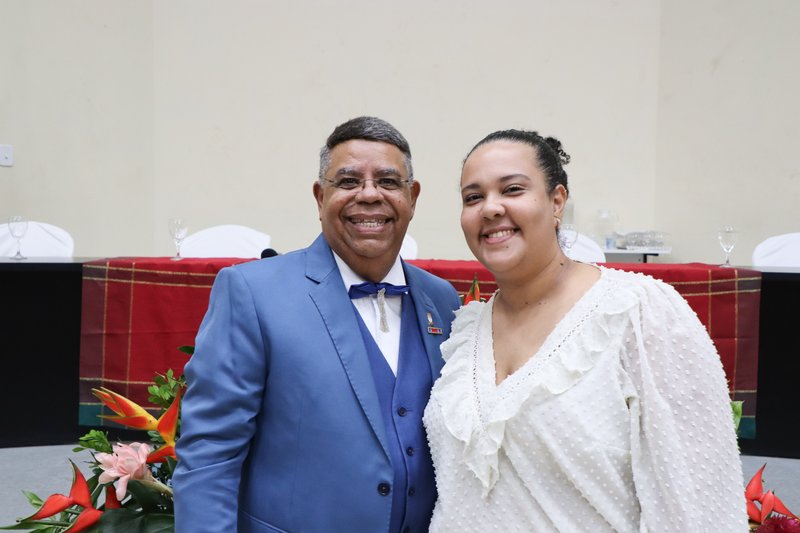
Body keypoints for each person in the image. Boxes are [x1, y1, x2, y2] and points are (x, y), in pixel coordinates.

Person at [422, 129, 747, 532]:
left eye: (512, 189)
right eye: (473, 197)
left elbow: (698, 504)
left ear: (557, 200)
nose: (490, 208)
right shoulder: (465, 332)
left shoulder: (636, 312)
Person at [173, 116, 460, 533]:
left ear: (412, 197)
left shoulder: (442, 300)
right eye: (348, 181)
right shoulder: (253, 292)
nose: (369, 195)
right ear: (320, 196)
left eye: (388, 181)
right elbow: (210, 453)